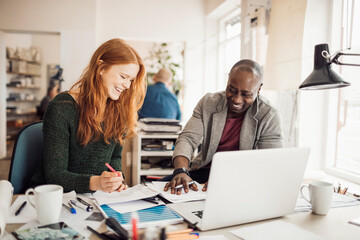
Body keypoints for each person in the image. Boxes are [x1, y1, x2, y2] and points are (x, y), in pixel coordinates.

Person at [30, 38, 146, 193]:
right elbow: (54, 175)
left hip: (96, 197)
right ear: (101, 67)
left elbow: (114, 158)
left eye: (131, 80)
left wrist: (116, 180)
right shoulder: (62, 107)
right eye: (123, 77)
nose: (127, 85)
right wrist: (97, 183)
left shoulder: (119, 109)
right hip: (55, 197)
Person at [164, 59, 284, 194]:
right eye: (232, 90)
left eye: (246, 94)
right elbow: (188, 138)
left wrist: (229, 180)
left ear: (259, 89)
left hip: (243, 178)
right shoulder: (208, 103)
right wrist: (181, 171)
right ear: (228, 81)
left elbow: (269, 162)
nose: (237, 99)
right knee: (161, 191)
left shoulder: (268, 114)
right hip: (203, 171)